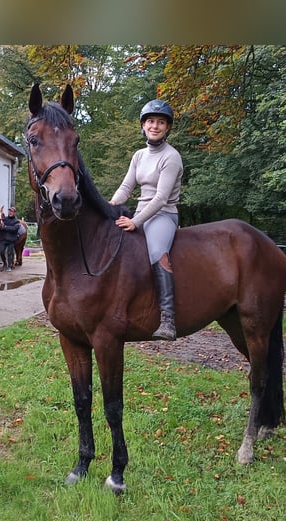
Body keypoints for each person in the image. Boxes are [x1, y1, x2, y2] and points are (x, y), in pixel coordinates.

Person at [109, 99, 183, 340]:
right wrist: (110, 206)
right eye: (151, 121)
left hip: (162, 215)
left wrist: (136, 222)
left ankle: (168, 318)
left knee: (156, 253)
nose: (155, 126)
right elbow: (126, 186)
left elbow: (161, 198)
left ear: (167, 128)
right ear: (143, 125)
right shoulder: (139, 156)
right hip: (139, 211)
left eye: (161, 122)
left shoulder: (171, 157)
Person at [0, 206, 21, 271]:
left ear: (14, 213)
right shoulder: (5, 219)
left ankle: (9, 266)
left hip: (11, 240)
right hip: (3, 239)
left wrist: (5, 227)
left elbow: (14, 229)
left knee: (10, 253)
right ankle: (5, 263)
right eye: (9, 211)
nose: (10, 212)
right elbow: (0, 226)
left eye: (11, 211)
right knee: (1, 252)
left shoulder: (17, 221)